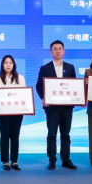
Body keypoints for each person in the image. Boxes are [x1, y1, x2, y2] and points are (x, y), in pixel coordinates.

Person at [36, 40, 78, 170]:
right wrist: (44, 98)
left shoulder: (70, 67)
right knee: (52, 134)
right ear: (50, 52)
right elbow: (39, 86)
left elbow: (75, 85)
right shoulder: (45, 68)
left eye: (60, 49)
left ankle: (66, 159)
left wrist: (77, 99)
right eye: (55, 49)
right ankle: (52, 160)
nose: (58, 51)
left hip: (67, 107)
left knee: (65, 134)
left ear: (63, 51)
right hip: (52, 107)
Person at [0, 55, 26, 171]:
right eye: (6, 62)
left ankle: (14, 161)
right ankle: (5, 161)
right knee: (4, 136)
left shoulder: (20, 78)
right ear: (2, 65)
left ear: (14, 65)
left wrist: (28, 107)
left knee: (15, 136)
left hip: (17, 112)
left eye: (10, 63)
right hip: (3, 113)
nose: (8, 65)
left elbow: (24, 94)